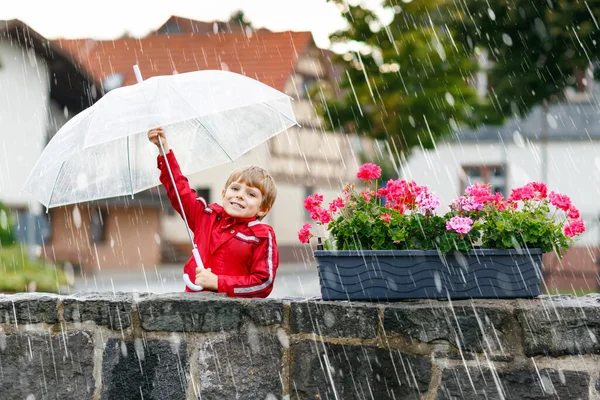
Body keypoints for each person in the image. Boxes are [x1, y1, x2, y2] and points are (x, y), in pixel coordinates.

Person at [148, 127, 279, 298]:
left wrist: (218, 282)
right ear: (224, 194)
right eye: (235, 188)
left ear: (263, 208)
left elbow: (263, 283)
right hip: (192, 305)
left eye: (251, 194)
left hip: (235, 317)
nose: (240, 195)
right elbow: (179, 188)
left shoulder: (262, 235)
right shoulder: (205, 216)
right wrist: (163, 150)